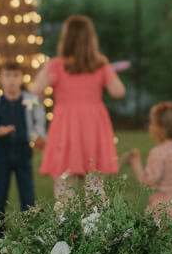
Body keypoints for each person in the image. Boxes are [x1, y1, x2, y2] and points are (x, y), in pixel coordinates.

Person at [29, 15, 124, 197]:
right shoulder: (100, 63)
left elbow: (35, 91)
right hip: (93, 127)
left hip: (66, 128)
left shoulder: (56, 65)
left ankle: (65, 224)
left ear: (66, 39)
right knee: (95, 187)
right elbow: (118, 91)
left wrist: (41, 75)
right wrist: (108, 71)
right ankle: (96, 224)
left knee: (65, 188)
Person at [0, 59, 46, 238]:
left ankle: (31, 234)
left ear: (21, 78)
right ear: (1, 78)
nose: (11, 80)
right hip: (2, 153)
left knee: (28, 196)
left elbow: (39, 122)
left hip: (24, 152)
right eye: (7, 75)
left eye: (15, 75)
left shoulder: (30, 100)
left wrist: (38, 137)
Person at [122, 101, 172, 237]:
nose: (150, 126)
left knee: (162, 244)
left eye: (152, 123)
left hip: (164, 206)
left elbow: (148, 181)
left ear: (161, 128)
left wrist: (135, 161)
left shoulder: (158, 152)